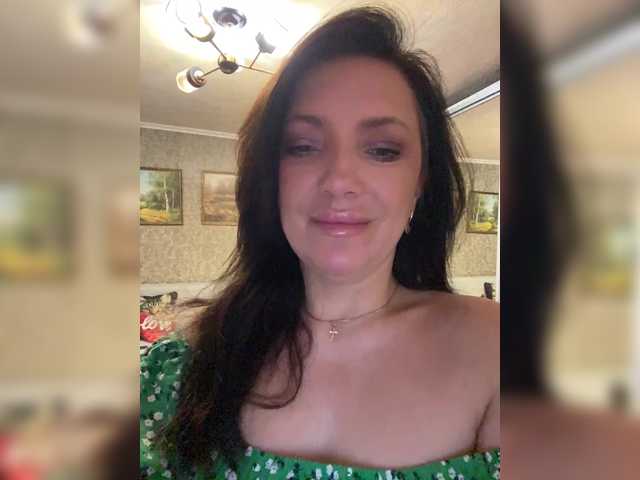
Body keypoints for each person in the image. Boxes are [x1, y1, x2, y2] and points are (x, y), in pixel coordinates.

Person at [140, 7, 499, 479]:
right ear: (272, 178)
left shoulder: (500, 352)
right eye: (303, 147)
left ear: (420, 182)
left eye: (382, 150)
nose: (339, 180)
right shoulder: (182, 367)